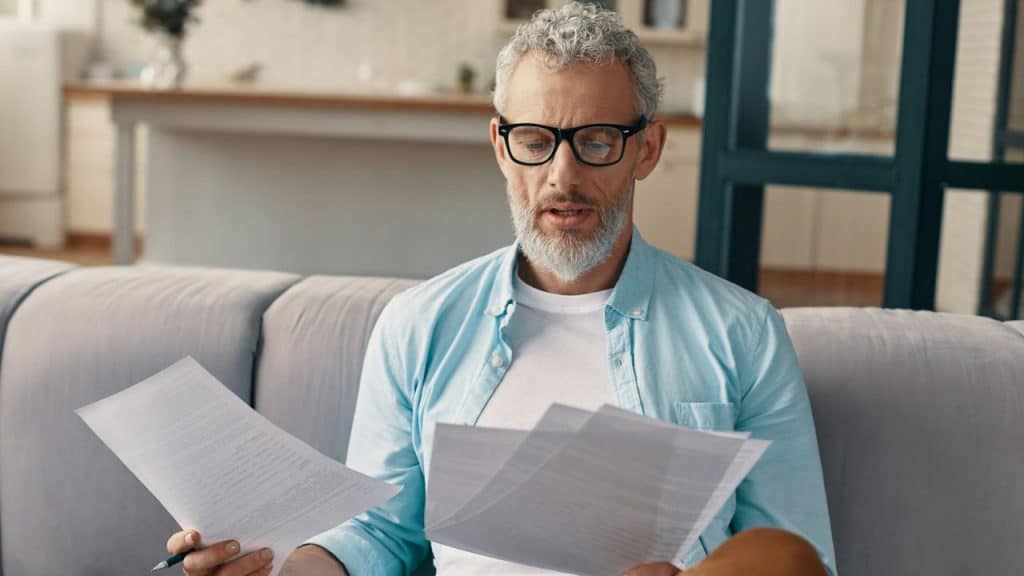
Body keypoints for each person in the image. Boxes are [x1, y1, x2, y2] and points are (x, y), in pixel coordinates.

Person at [165, 3, 835, 575]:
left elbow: (799, 553)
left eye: (597, 140)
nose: (562, 176)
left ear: (648, 149)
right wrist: (280, 567)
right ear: (499, 145)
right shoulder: (418, 325)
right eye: (536, 140)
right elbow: (379, 535)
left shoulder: (743, 333)